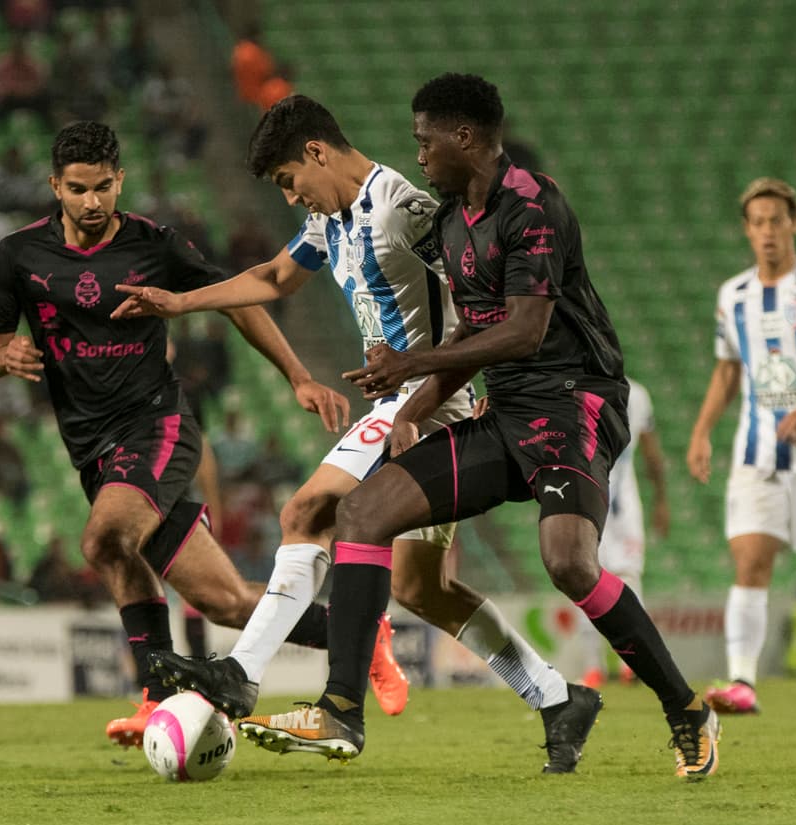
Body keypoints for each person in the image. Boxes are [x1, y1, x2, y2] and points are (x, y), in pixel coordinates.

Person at [223, 76, 719, 780]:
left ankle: (686, 710)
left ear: (465, 137)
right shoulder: (452, 222)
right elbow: (472, 336)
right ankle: (341, 707)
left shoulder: (533, 204)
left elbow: (525, 328)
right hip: (504, 409)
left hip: (573, 401)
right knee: (364, 511)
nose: (418, 154)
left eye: (426, 140)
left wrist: (410, 367)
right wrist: (416, 411)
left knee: (569, 562)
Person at [117, 95, 585, 768]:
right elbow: (276, 277)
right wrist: (183, 301)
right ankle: (555, 695)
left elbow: (479, 293)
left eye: (288, 180)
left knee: (304, 509)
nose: (290, 197)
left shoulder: (403, 208)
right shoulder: (326, 217)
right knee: (421, 586)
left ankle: (242, 672)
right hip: (403, 402)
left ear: (316, 152)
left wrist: (468, 391)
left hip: (421, 401)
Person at [0, 120, 351, 748]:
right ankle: (358, 633)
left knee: (105, 539)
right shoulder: (19, 256)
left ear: (120, 180)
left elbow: (238, 300)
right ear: (54, 187)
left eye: (102, 187)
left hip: (157, 425)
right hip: (92, 449)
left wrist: (298, 377)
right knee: (224, 600)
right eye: (76, 189)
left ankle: (157, 696)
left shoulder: (156, 244)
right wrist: (5, 357)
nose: (91, 202)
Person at [687, 177, 796, 716]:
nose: (768, 231)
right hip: (756, 455)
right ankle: (742, 681)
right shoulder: (733, 295)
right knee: (750, 562)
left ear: (794, 224)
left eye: (777, 220)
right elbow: (727, 371)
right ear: (747, 230)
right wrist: (701, 431)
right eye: (758, 222)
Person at [573, 378, 669, 688]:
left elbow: (652, 455)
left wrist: (661, 501)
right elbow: (653, 455)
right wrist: (661, 500)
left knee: (592, 577)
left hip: (601, 498)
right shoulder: (637, 393)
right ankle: (608, 665)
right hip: (605, 499)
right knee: (593, 577)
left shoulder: (577, 388)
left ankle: (609, 666)